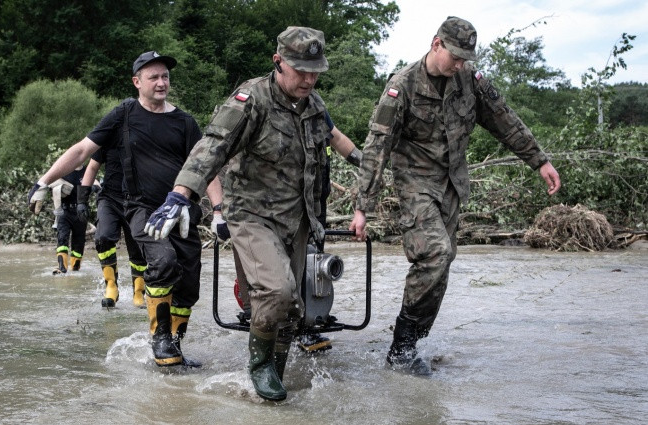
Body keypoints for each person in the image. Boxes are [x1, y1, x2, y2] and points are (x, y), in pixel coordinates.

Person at [349, 16, 562, 376]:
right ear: (436, 45)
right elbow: (376, 148)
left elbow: (503, 118)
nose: (461, 64)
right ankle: (401, 347)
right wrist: (362, 207)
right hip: (415, 183)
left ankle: (413, 343)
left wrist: (539, 160)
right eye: (456, 56)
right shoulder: (402, 87)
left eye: (467, 59)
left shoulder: (470, 81)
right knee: (436, 253)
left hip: (452, 185)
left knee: (441, 268)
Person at [146, 26, 332, 401]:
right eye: (300, 70)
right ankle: (261, 368)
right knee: (277, 292)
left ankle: (273, 377)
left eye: (315, 71)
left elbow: (323, 158)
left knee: (294, 307)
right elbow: (213, 145)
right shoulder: (251, 100)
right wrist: (181, 194)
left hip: (295, 219)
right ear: (278, 62)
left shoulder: (314, 107)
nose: (309, 79)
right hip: (251, 215)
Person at [27, 50, 223, 368]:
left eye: (165, 77)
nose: (161, 83)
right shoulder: (124, 115)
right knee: (163, 261)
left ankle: (173, 348)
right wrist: (44, 181)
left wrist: (219, 212)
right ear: (137, 82)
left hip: (183, 213)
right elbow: (81, 151)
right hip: (141, 209)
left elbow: (207, 168)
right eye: (153, 77)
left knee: (189, 285)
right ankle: (159, 338)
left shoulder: (185, 122)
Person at [231, 113, 363, 353]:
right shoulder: (264, 113)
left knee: (312, 264)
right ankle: (263, 318)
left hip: (313, 204)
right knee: (274, 269)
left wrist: (367, 165)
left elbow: (338, 139)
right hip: (272, 207)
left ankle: (307, 323)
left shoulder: (315, 112)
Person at [78, 147, 148, 309]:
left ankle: (138, 292)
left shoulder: (143, 132)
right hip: (109, 198)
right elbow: (92, 166)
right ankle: (111, 286)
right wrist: (82, 199)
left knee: (138, 247)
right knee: (103, 237)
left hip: (137, 200)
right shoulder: (109, 133)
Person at [51, 166, 87, 274]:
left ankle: (75, 268)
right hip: (64, 211)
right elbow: (50, 183)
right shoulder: (64, 169)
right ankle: (62, 268)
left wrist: (94, 188)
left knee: (79, 242)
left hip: (81, 212)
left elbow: (96, 184)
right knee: (62, 238)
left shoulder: (87, 170)